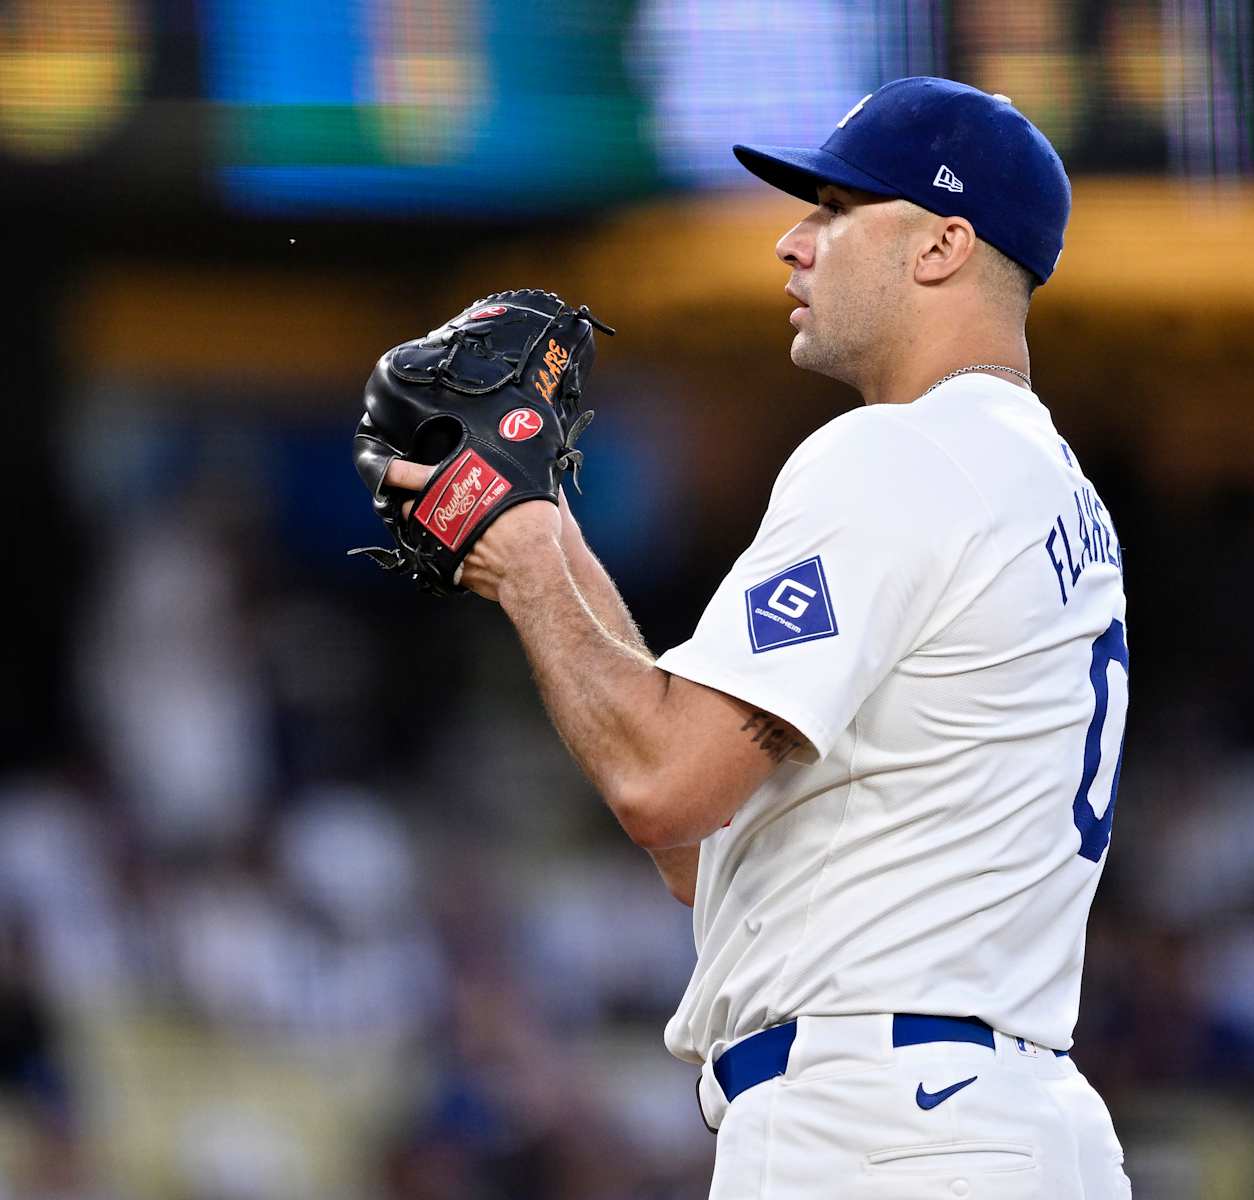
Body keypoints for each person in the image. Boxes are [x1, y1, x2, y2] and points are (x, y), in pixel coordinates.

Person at [384, 76, 1131, 1198]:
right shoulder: (1048, 491)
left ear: (941, 246)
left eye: (835, 210)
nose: (792, 242)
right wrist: (550, 538)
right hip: (1011, 1123)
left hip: (878, 1126)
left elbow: (666, 784)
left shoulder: (901, 453)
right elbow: (711, 849)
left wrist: (529, 565)